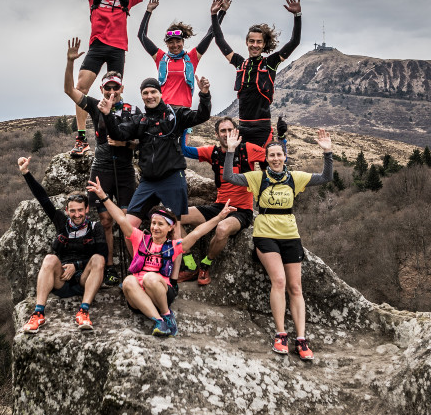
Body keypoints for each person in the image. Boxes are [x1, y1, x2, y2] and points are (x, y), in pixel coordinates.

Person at [45, 0, 199, 155]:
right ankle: (81, 138)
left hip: (117, 49)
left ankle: (119, 134)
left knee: (114, 94)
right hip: (97, 47)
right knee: (80, 88)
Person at [220, 128, 333, 361]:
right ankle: (281, 334)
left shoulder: (295, 178)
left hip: (290, 235)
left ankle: (301, 338)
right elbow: (229, 177)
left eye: (279, 155)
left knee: (296, 288)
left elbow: (326, 178)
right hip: (265, 234)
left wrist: (328, 152)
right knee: (279, 281)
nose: (275, 159)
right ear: (266, 159)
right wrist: (230, 151)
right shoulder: (257, 177)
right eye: (271, 155)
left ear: (285, 157)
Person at [89, 177, 236, 336]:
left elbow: (198, 232)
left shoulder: (173, 246)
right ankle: (160, 321)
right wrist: (103, 196)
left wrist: (220, 217)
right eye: (153, 223)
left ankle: (166, 313)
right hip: (138, 297)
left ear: (170, 227)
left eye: (160, 224)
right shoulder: (140, 239)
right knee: (128, 281)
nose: (155, 227)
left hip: (160, 291)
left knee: (150, 278)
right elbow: (120, 218)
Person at [62, 37, 139, 284]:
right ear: (102, 89)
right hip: (102, 167)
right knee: (105, 221)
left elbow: (137, 138)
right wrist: (70, 63)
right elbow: (69, 91)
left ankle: (137, 267)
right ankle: (110, 265)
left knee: (127, 223)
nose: (112, 92)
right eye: (108, 88)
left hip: (125, 169)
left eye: (116, 88)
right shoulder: (94, 105)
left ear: (122, 89)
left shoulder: (131, 110)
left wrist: (128, 142)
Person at [99, 76, 211, 229]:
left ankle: (178, 253)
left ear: (161, 93)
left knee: (174, 230)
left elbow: (202, 116)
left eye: (153, 92)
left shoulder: (175, 114)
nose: (149, 96)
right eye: (145, 93)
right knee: (129, 226)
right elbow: (118, 134)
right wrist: (107, 115)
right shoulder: (140, 120)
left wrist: (204, 94)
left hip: (172, 178)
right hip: (148, 181)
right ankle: (143, 254)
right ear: (142, 96)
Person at [17, 156, 107, 333]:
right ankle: (38, 314)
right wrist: (26, 173)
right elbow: (43, 199)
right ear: (67, 211)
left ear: (87, 209)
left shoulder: (95, 227)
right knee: (50, 258)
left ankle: (84, 311)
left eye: (80, 210)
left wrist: (77, 265)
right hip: (62, 279)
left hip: (84, 280)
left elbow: (102, 256)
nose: (77, 214)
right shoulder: (61, 221)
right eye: (72, 211)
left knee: (97, 259)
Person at [177, 117, 266, 285]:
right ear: (217, 134)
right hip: (218, 206)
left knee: (222, 228)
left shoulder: (248, 149)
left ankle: (206, 264)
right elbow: (184, 150)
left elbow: (275, 160)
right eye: (223, 131)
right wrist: (185, 128)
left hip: (241, 211)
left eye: (230, 130)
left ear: (236, 132)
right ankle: (190, 265)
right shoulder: (213, 152)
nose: (226, 134)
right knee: (175, 217)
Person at [211, 0, 302, 147]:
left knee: (268, 166)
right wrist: (215, 15)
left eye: (259, 42)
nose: (255, 45)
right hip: (243, 128)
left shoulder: (270, 63)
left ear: (264, 44)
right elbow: (219, 40)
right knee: (242, 169)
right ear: (246, 43)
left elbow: (294, 42)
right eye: (251, 41)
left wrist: (297, 16)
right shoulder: (240, 63)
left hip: (263, 129)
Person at [136, 0, 229, 108]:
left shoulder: (191, 58)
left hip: (184, 111)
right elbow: (141, 36)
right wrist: (148, 11)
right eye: (171, 42)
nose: (175, 45)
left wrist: (220, 13)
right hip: (164, 109)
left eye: (178, 41)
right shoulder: (161, 58)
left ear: (183, 42)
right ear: (166, 44)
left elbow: (211, 34)